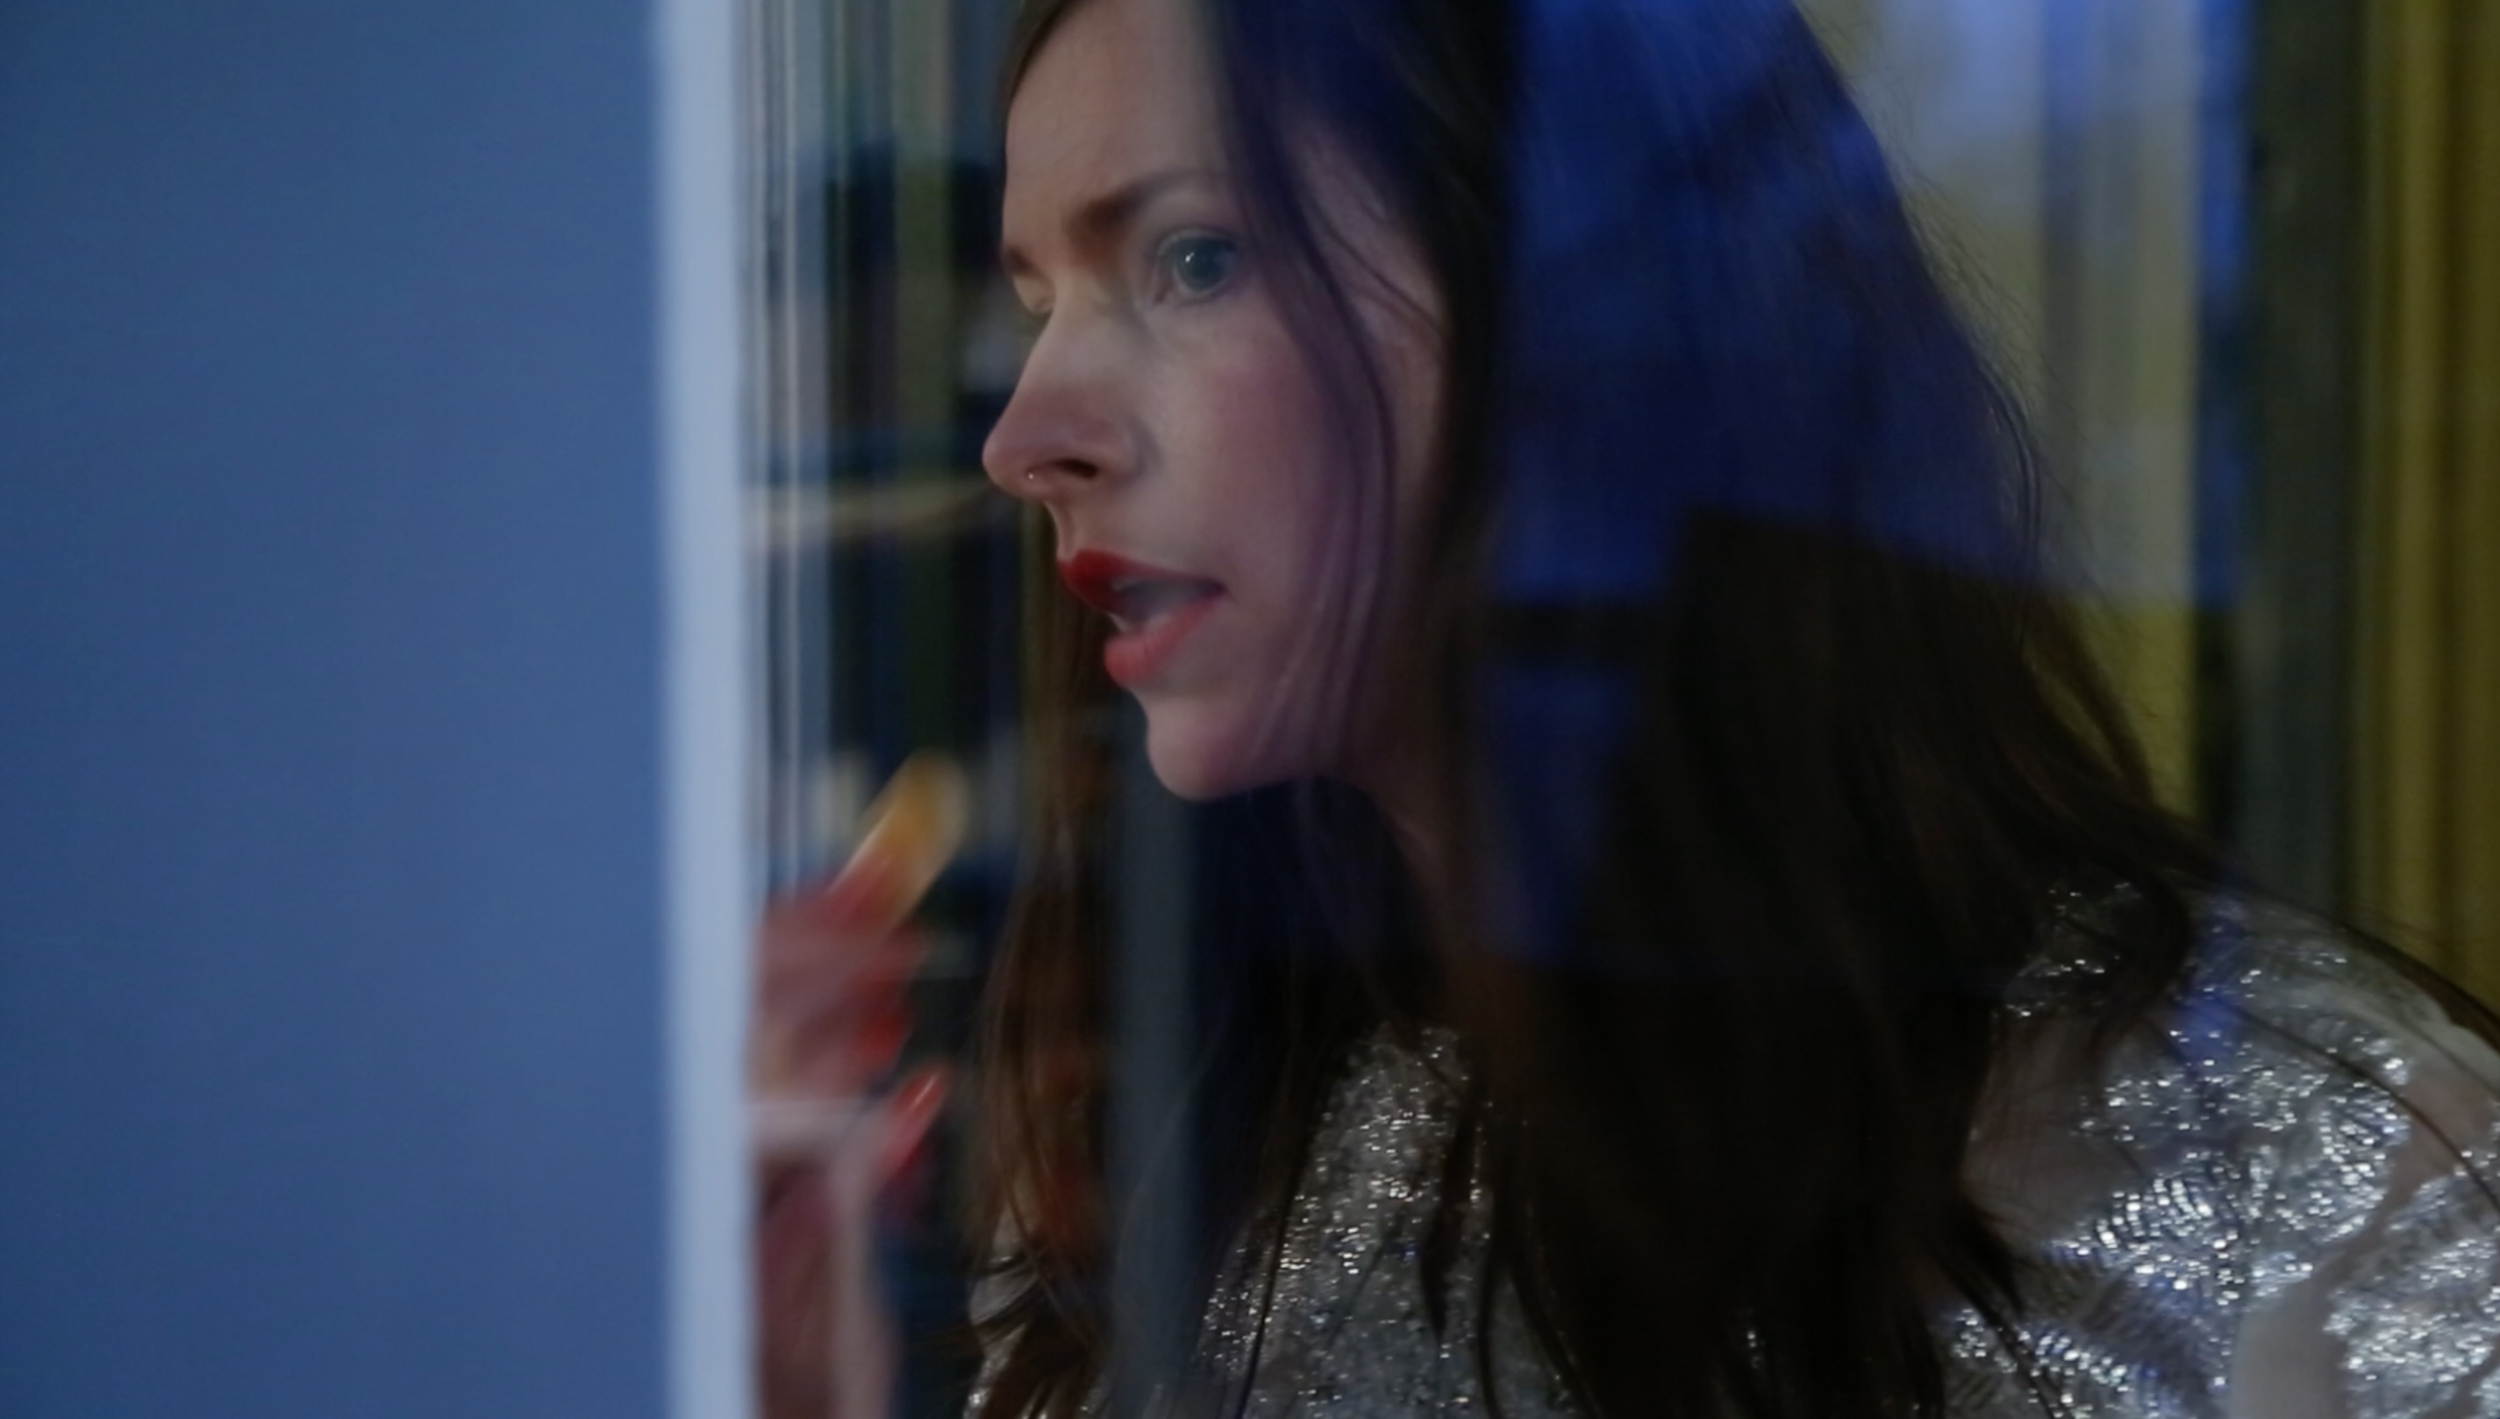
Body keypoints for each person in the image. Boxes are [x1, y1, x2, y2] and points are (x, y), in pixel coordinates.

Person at [762, 0, 2500, 1414]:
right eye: (1034, 298)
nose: (1027, 436)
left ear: (1588, 325)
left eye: (1193, 260)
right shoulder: (1180, 1119)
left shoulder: (2323, 1166)